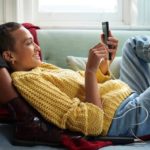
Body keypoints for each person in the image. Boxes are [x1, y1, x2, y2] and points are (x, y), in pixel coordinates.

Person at [0, 22, 149, 139]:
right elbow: (91, 124)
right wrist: (90, 71)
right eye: (29, 43)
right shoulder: (26, 80)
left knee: (134, 43)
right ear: (9, 56)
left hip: (128, 96)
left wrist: (106, 59)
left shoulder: (38, 68)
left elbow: (83, 85)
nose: (38, 48)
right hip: (125, 117)